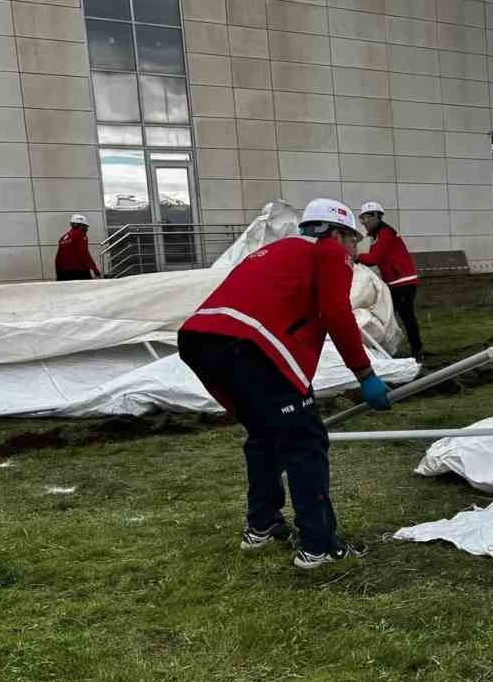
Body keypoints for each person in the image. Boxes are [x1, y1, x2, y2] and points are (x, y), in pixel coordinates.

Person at [177, 198, 393, 570]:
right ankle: (319, 545)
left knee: (264, 436)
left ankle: (262, 525)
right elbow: (337, 313)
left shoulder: (273, 250)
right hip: (252, 346)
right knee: (305, 441)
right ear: (336, 232)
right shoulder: (328, 251)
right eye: (353, 241)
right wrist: (365, 375)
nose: (354, 251)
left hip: (202, 339)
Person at [354, 202, 423, 363]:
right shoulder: (377, 235)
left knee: (407, 317)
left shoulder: (385, 233)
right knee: (393, 316)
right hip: (396, 282)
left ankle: (417, 350)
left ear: (375, 217)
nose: (363, 222)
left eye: (364, 218)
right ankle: (402, 348)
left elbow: (374, 258)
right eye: (361, 218)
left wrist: (355, 257)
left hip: (403, 282)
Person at [54, 214, 102, 281]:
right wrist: (95, 270)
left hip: (63, 272)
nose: (87, 229)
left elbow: (58, 258)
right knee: (88, 290)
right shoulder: (80, 235)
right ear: (81, 226)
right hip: (79, 271)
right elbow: (84, 254)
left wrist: (58, 275)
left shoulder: (64, 237)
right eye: (86, 227)